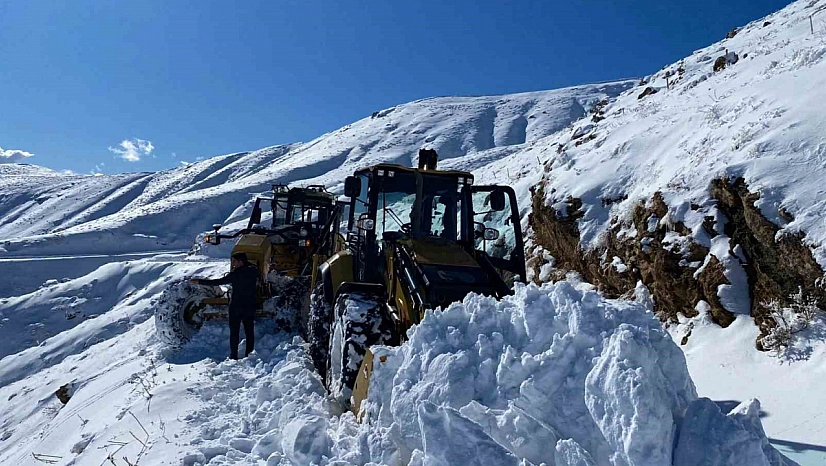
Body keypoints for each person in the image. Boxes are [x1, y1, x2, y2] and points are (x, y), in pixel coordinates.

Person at [190, 252, 259, 359]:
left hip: (236, 306)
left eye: (235, 261)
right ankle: (249, 354)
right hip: (249, 306)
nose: (233, 264)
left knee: (234, 332)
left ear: (241, 262)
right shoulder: (254, 271)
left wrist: (199, 281)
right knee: (249, 332)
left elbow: (218, 282)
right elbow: (252, 267)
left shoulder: (235, 274)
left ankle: (234, 355)